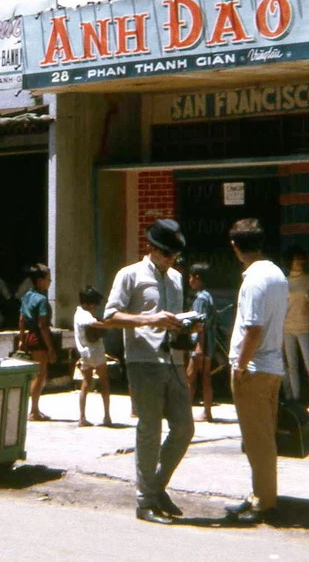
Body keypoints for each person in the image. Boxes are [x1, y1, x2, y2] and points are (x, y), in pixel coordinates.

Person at [103, 218, 192, 525]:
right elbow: (110, 316)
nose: (171, 259)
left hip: (174, 361)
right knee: (150, 431)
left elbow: (175, 318)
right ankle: (145, 502)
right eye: (166, 253)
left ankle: (155, 487)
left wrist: (187, 325)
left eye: (175, 254)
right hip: (143, 361)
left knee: (184, 429)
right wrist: (147, 320)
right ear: (151, 248)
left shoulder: (177, 279)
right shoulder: (130, 275)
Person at [224, 218, 289, 523]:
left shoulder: (253, 280)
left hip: (253, 367)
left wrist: (238, 365)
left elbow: (253, 329)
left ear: (235, 246)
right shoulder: (276, 274)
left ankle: (264, 501)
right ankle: (258, 493)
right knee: (261, 436)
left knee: (257, 439)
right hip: (272, 365)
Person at [282, 244, 309, 402]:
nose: (299, 262)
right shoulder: (284, 282)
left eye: (301, 258)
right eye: (295, 259)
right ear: (290, 261)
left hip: (305, 326)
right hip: (287, 328)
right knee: (291, 367)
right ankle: (294, 399)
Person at [19, 263, 57, 421]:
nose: (50, 282)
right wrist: (50, 348)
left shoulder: (27, 295)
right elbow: (43, 325)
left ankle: (35, 409)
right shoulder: (41, 299)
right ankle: (33, 411)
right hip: (39, 338)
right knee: (41, 375)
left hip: (29, 337)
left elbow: (21, 320)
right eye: (48, 278)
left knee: (39, 374)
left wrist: (22, 340)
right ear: (40, 280)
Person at [73, 285, 112, 427]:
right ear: (88, 303)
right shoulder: (84, 315)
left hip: (84, 353)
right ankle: (107, 416)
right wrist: (108, 325)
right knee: (104, 383)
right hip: (95, 351)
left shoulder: (78, 314)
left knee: (86, 383)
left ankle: (82, 417)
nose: (95, 307)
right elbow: (93, 323)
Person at [184, 263, 216, 423]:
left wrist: (198, 347)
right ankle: (207, 412)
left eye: (191, 277)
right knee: (205, 378)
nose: (189, 280)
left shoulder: (201, 299)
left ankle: (186, 413)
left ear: (197, 278)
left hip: (201, 344)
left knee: (190, 377)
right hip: (208, 344)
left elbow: (200, 324)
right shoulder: (208, 296)